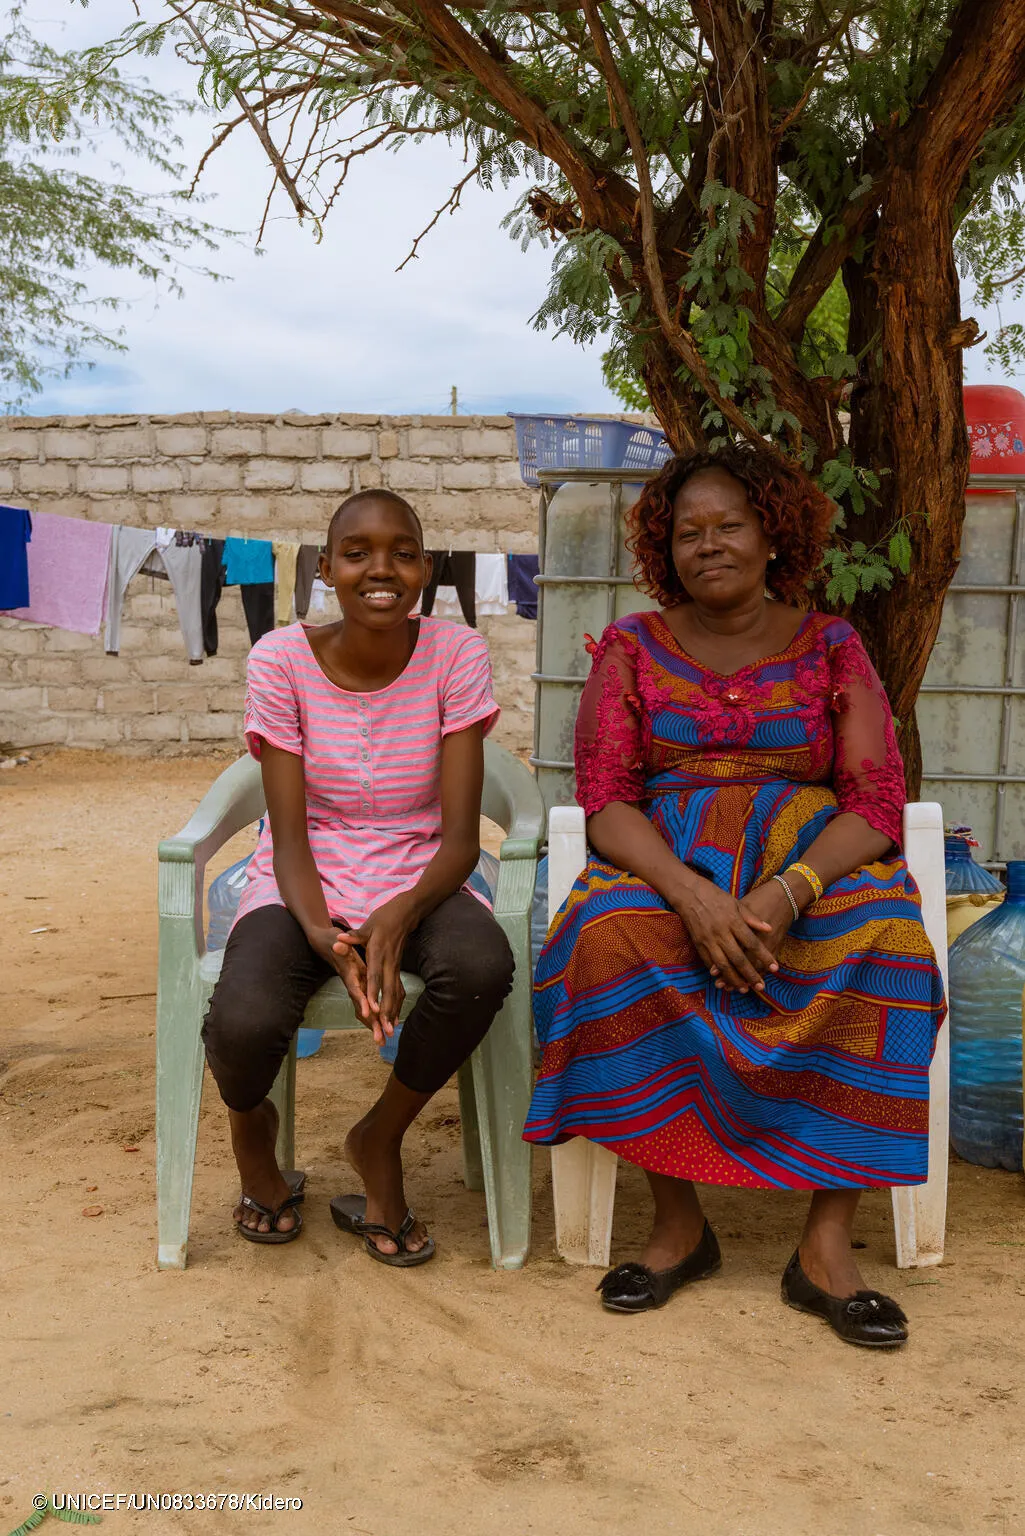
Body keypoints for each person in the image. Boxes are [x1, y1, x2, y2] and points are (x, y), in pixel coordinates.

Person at [523, 446, 945, 1346]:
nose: (707, 545)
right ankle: (678, 1225)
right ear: (662, 548)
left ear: (770, 535)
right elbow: (605, 797)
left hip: (811, 863)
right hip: (666, 864)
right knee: (604, 937)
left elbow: (874, 799)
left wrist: (788, 892)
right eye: (687, 532)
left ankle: (825, 1245)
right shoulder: (632, 647)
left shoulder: (831, 644)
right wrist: (691, 898)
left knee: (892, 950)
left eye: (729, 526)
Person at [202, 489, 514, 1265]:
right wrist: (318, 930)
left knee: (480, 966)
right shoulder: (280, 658)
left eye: (403, 552)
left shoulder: (455, 654)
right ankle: (253, 1133)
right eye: (358, 553)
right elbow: (289, 831)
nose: (382, 569)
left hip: (422, 869)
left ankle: (379, 1136)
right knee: (241, 1021)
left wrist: (401, 915)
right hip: (303, 874)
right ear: (326, 569)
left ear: (429, 569)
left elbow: (461, 839)